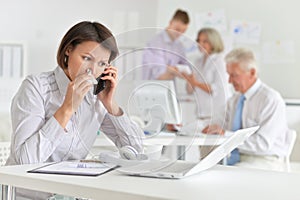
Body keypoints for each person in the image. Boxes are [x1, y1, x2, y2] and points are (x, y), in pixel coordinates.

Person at [6, 21, 144, 199]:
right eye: (87, 58)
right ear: (68, 50)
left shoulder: (96, 97)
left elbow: (136, 149)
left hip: (69, 195)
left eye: (102, 63)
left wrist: (111, 105)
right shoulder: (36, 88)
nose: (92, 71)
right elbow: (25, 162)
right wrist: (67, 108)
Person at [202, 47, 291, 171]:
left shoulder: (270, 100)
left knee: (226, 175)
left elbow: (263, 144)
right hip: (237, 157)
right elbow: (219, 123)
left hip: (263, 159)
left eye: (234, 75)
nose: (229, 81)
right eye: (228, 75)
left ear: (252, 73)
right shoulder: (234, 100)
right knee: (206, 169)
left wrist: (227, 136)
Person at [183, 27, 231, 124]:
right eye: (199, 41)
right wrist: (188, 79)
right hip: (201, 113)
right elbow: (189, 91)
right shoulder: (198, 61)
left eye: (205, 41)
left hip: (217, 113)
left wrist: (195, 83)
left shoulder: (220, 61)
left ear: (213, 42)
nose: (200, 44)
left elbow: (216, 89)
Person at [142, 9, 190, 80]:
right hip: (152, 87)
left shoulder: (179, 46)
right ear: (170, 23)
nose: (179, 34)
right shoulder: (155, 43)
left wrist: (173, 70)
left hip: (169, 87)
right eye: (177, 29)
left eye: (183, 31)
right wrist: (173, 70)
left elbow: (187, 70)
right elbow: (160, 76)